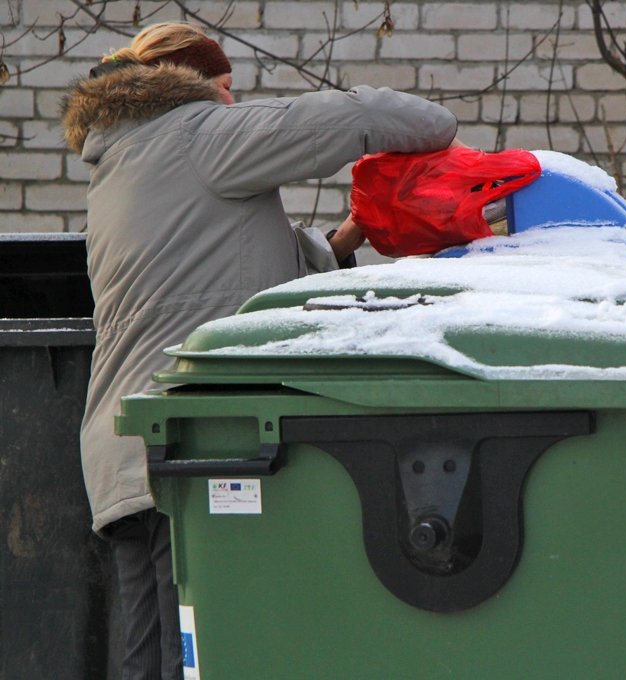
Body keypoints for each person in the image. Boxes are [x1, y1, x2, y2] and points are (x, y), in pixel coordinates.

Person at [60, 22, 460, 680]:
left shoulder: (123, 158)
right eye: (224, 86)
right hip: (183, 445)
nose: (232, 101)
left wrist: (348, 236)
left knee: (155, 658)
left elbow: (233, 278)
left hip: (128, 450)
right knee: (196, 659)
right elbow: (353, 117)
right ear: (186, 86)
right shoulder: (199, 134)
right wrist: (443, 132)